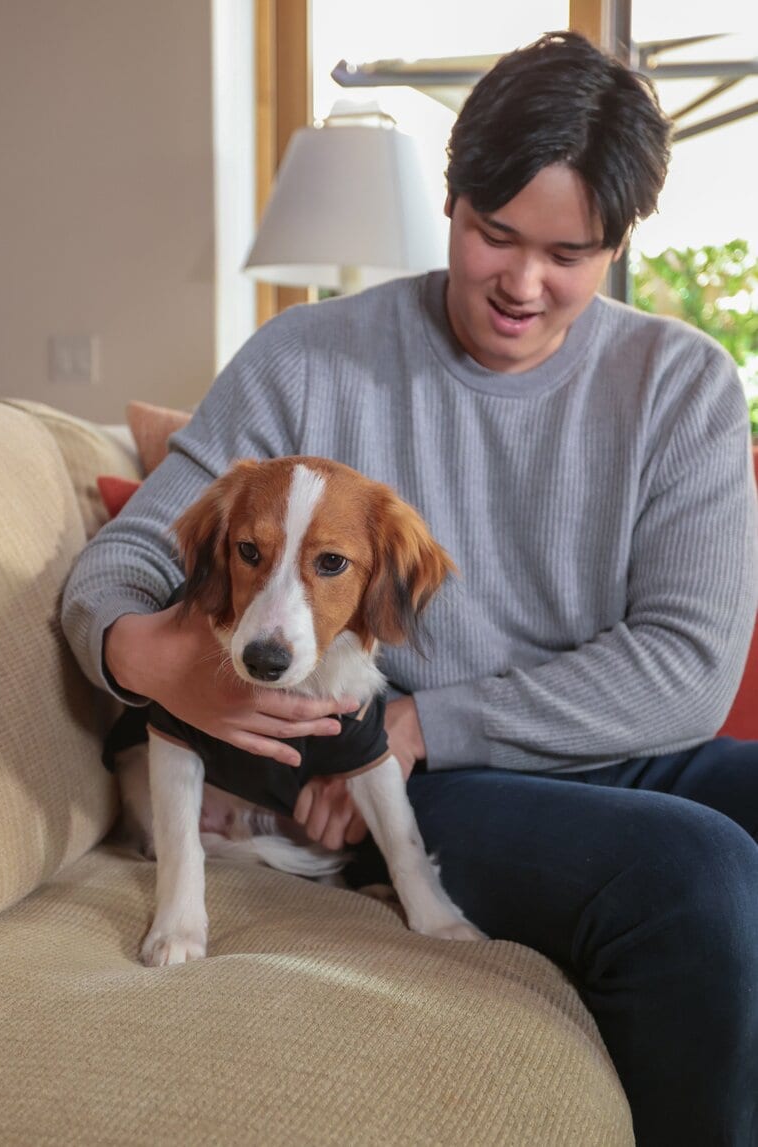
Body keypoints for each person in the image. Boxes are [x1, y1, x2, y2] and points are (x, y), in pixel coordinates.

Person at [62, 30, 758, 1146]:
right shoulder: (304, 357)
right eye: (495, 235)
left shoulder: (682, 387)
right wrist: (143, 659)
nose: (523, 284)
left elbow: (688, 669)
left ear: (619, 242)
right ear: (451, 200)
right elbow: (125, 562)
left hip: (539, 739)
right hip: (415, 782)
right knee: (696, 873)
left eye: (568, 252)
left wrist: (428, 719)